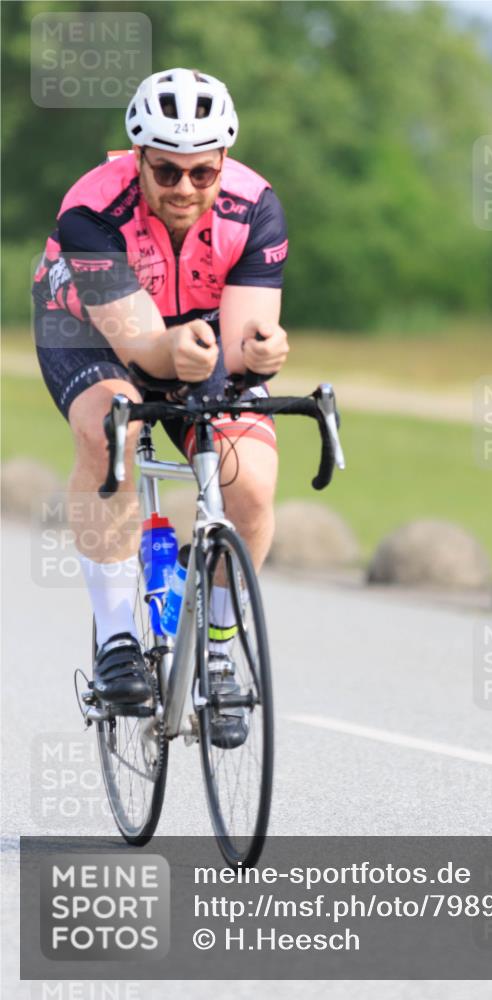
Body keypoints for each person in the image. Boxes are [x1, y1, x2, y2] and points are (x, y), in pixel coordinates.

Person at [32, 68, 289, 744]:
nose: (183, 189)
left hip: (196, 335)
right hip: (92, 331)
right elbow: (141, 345)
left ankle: (220, 650)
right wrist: (174, 353)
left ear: (223, 162)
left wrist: (259, 353)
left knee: (251, 481)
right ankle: (118, 640)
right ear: (138, 157)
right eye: (166, 172)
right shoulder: (90, 209)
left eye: (200, 174)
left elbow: (243, 337)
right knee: (112, 427)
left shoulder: (255, 206)